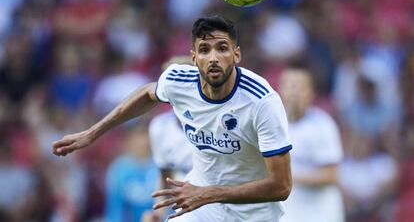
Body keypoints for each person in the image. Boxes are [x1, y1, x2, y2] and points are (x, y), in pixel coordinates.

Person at [52, 15, 292, 222]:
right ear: (194, 57)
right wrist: (91, 133)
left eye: (222, 48)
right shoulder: (180, 81)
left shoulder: (262, 102)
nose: (214, 58)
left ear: (236, 54)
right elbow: (148, 92)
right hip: (203, 208)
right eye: (205, 50)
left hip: (254, 214)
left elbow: (281, 186)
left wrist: (208, 193)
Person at [278, 64, 345, 222]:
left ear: (311, 93)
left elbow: (331, 175)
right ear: (280, 90)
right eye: (289, 86)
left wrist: (286, 177)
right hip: (289, 214)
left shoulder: (323, 125)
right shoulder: (273, 125)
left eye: (300, 87)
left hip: (321, 214)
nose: (294, 92)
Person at [105, 120, 159, 222]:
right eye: (137, 135)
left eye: (145, 134)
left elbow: (169, 205)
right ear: (128, 139)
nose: (143, 141)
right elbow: (115, 208)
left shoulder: (161, 166)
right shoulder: (119, 169)